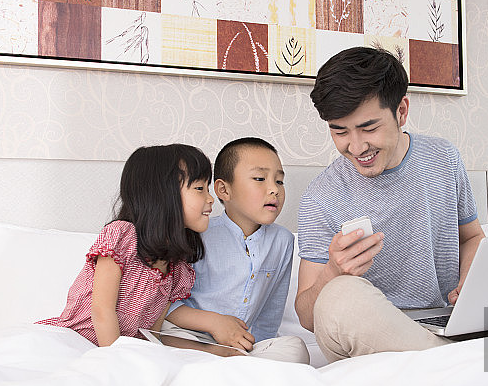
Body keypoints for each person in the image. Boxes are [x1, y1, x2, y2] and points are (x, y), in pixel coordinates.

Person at [295, 47, 488, 362]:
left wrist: (471, 283)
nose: (357, 146)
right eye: (340, 131)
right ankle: (472, 360)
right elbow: (309, 316)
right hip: (382, 331)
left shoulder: (443, 158)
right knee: (339, 299)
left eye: (369, 128)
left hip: (452, 321)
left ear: (401, 111)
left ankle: (452, 359)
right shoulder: (321, 196)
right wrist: (333, 270)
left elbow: (471, 237)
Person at [37, 144, 214, 347]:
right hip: (76, 343)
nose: (210, 198)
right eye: (200, 188)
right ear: (161, 194)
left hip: (123, 351)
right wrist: (116, 362)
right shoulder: (122, 237)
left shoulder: (177, 267)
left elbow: (151, 332)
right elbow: (102, 311)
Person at [163, 137, 310, 364]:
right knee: (161, 335)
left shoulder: (283, 241)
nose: (274, 190)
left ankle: (244, 366)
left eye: (279, 181)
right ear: (224, 190)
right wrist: (214, 323)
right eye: (259, 179)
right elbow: (165, 302)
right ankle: (216, 360)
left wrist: (258, 347)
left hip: (240, 345)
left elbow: (270, 311)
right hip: (189, 335)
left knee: (295, 348)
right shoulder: (197, 233)